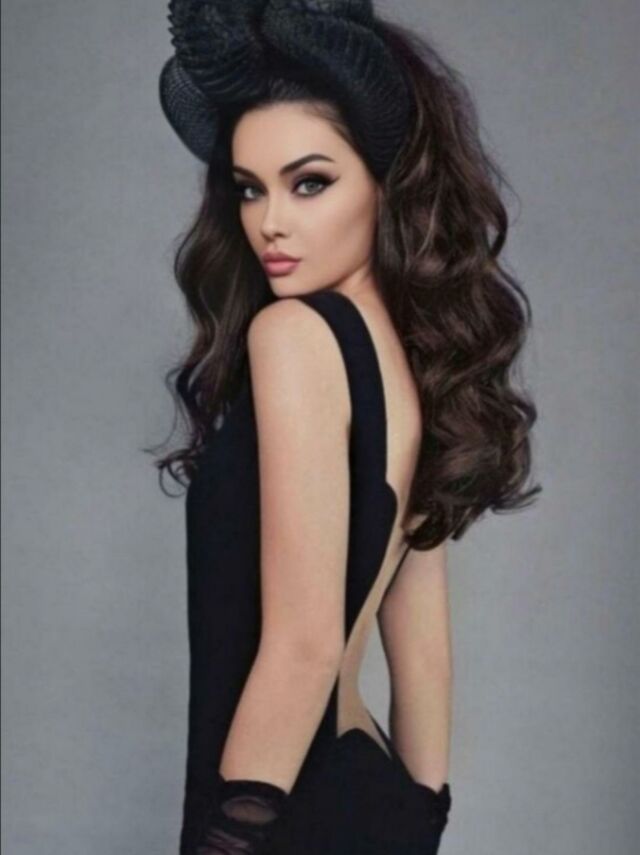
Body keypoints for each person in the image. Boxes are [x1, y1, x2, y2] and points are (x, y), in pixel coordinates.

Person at [155, 2, 541, 853]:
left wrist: (231, 835)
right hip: (372, 794)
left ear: (384, 181)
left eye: (310, 182)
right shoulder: (414, 362)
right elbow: (421, 628)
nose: (270, 221)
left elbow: (304, 646)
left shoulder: (293, 336)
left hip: (279, 803)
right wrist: (421, 816)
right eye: (249, 188)